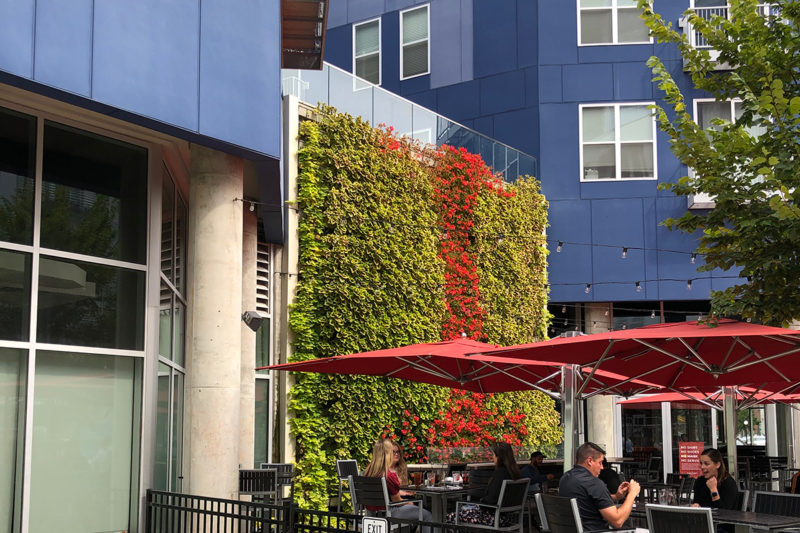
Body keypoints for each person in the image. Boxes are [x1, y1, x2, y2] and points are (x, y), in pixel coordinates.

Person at [559, 442, 642, 531]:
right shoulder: (593, 483)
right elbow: (618, 521)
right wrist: (632, 494)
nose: (602, 467)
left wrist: (616, 496)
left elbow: (588, 500)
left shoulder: (565, 478)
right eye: (600, 462)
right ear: (590, 461)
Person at [447, 442, 521, 527]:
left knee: (451, 517)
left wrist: (479, 504)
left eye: (493, 455)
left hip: (493, 518)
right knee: (466, 510)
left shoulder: (500, 474)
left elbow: (491, 500)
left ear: (499, 457)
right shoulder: (515, 474)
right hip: (507, 517)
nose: (492, 457)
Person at [364, 439, 432, 530]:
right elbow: (397, 501)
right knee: (427, 515)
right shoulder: (389, 475)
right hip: (390, 512)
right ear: (387, 454)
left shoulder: (368, 473)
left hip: (371, 512)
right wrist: (410, 503)